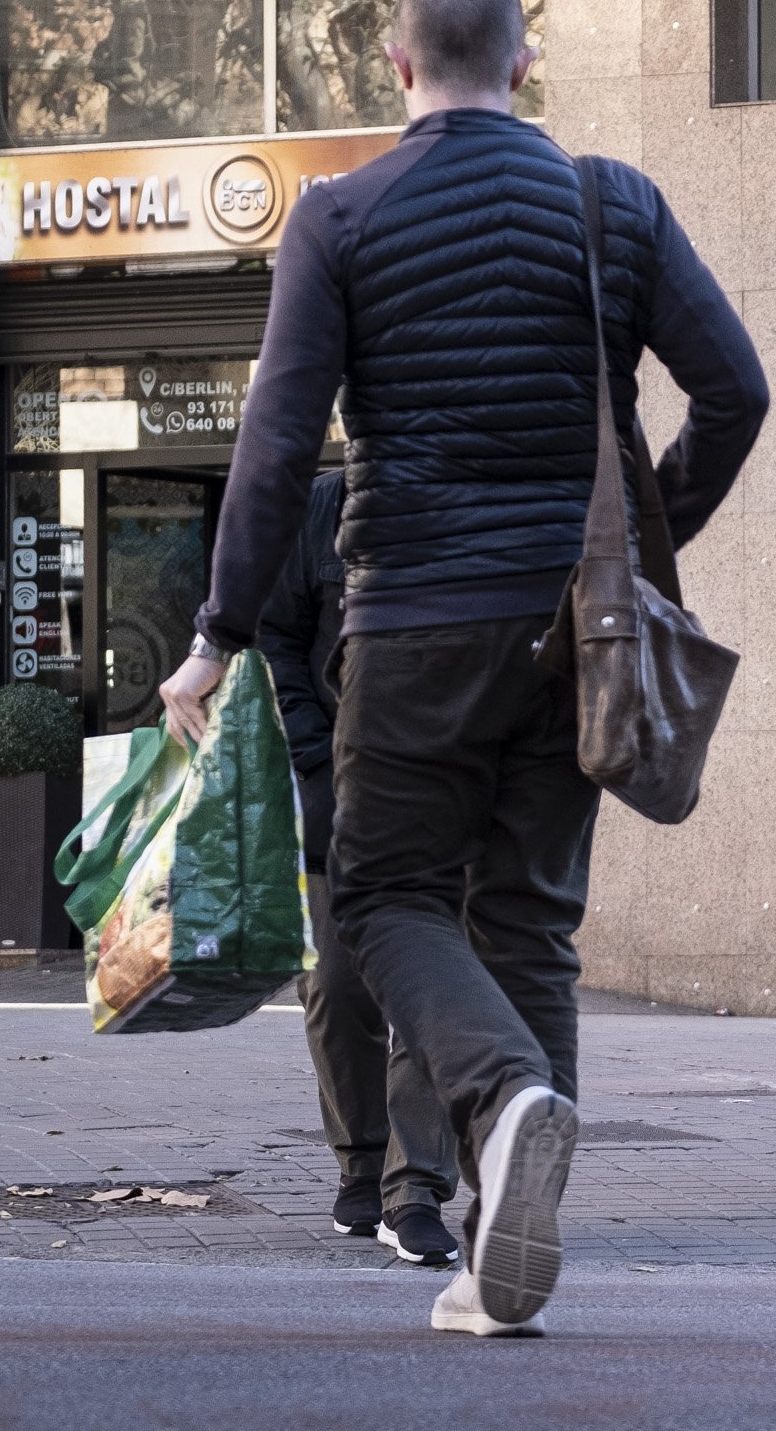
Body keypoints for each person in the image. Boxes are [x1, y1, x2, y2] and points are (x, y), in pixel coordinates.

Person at [156, 0, 768, 1337]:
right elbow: (736, 389)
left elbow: (275, 443)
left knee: (379, 899)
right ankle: (505, 1251)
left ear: (394, 64)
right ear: (525, 59)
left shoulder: (342, 216)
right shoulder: (615, 203)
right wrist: (645, 552)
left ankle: (498, 1104)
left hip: (417, 619)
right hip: (576, 623)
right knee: (533, 917)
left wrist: (219, 635)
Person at [257, 466, 462, 1268]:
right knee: (337, 985)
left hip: (446, 783)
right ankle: (364, 1159)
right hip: (333, 785)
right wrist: (313, 757)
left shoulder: (468, 497)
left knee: (430, 989)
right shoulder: (319, 506)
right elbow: (275, 637)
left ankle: (415, 1189)